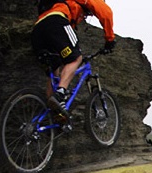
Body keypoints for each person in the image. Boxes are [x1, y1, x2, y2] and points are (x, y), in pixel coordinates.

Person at [31, 0, 116, 130]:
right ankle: (60, 94)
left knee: (54, 70)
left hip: (37, 31)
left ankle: (54, 111)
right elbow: (105, 12)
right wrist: (109, 39)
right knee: (75, 58)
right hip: (56, 21)